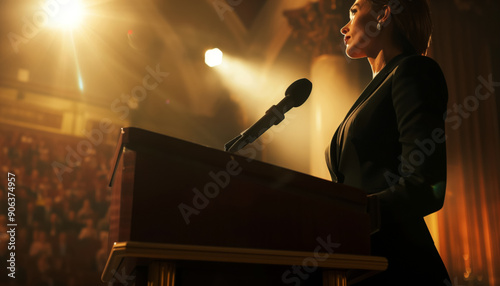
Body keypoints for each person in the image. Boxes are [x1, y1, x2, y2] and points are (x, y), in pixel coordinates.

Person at [327, 0, 450, 284]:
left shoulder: (413, 71)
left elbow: (425, 186)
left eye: (355, 11)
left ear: (383, 14)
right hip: (364, 264)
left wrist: (348, 215)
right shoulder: (376, 89)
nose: (344, 27)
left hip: (401, 266)